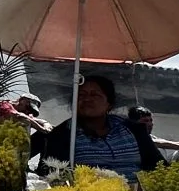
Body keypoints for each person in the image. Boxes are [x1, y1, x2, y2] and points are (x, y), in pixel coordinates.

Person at [31, 73, 163, 180]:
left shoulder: (133, 131)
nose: (87, 99)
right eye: (81, 95)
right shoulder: (61, 135)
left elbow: (160, 168)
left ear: (109, 104)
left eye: (95, 94)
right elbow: (51, 176)